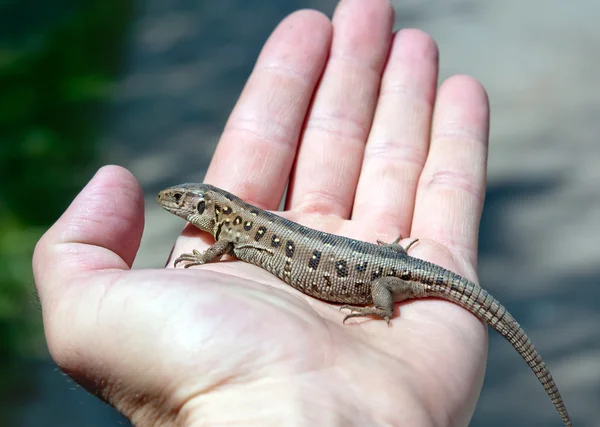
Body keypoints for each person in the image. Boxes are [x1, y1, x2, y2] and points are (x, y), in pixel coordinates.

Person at [33, 0, 490, 425]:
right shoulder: (233, 225)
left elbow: (222, 247)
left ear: (205, 209)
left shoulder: (228, 234)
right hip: (385, 268)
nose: (174, 206)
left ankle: (383, 310)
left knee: (384, 288)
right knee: (389, 271)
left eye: (182, 202)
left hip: (383, 275)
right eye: (177, 200)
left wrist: (378, 310)